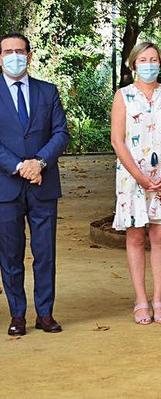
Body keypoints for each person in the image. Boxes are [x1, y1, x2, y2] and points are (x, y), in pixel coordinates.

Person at [111, 41, 161, 325]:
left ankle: (158, 298)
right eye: (143, 59)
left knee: (160, 236)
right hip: (132, 179)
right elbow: (117, 140)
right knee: (135, 235)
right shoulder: (124, 96)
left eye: (154, 59)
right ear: (134, 65)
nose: (149, 64)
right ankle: (141, 300)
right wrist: (140, 176)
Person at [0, 33, 70, 336]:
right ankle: (18, 315)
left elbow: (61, 134)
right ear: (0, 57)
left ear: (29, 56)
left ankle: (45, 313)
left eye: (20, 51)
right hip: (6, 186)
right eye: (8, 52)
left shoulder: (47, 92)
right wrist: (19, 167)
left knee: (45, 253)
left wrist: (39, 163)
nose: (14, 56)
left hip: (43, 183)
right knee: (10, 255)